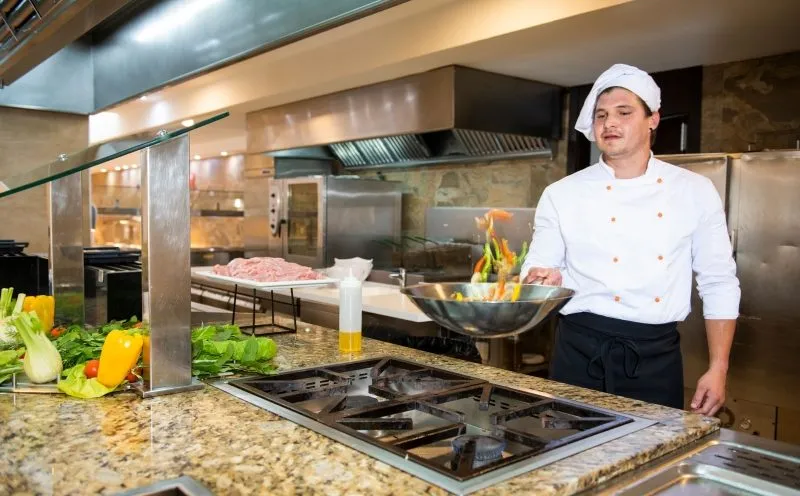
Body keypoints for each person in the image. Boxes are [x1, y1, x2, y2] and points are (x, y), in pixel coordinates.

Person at [520, 64, 740, 415]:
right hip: (577, 351)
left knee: (653, 449)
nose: (609, 123)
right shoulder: (561, 193)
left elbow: (719, 282)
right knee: (569, 446)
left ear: (653, 119)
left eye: (624, 112)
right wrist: (539, 279)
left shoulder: (695, 190)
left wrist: (719, 368)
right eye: (601, 115)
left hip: (655, 357)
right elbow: (539, 265)